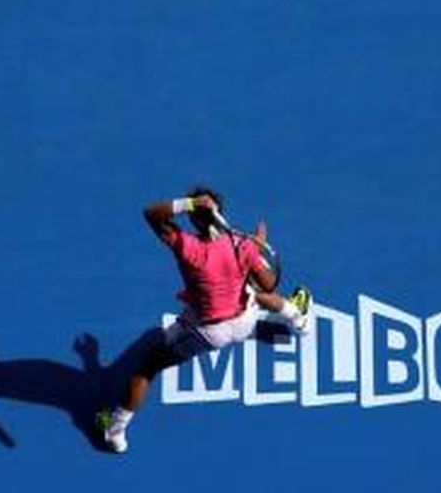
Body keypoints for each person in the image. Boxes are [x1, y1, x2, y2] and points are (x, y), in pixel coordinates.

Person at [100, 186, 312, 453]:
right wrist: (256, 251)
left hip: (211, 332)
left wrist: (188, 203)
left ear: (194, 218)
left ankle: (114, 432)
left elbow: (151, 213)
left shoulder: (189, 248)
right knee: (254, 294)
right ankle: (297, 317)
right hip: (242, 319)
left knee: (146, 370)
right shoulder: (242, 245)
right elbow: (268, 285)